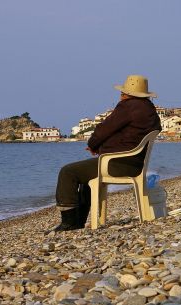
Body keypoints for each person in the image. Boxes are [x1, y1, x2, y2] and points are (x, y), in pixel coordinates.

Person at [54, 75, 162, 231]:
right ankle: (77, 222)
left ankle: (69, 222)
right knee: (85, 176)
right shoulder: (150, 110)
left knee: (68, 172)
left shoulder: (128, 106)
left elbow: (104, 129)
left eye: (122, 93)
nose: (120, 95)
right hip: (135, 164)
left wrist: (92, 145)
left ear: (127, 94)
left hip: (118, 164)